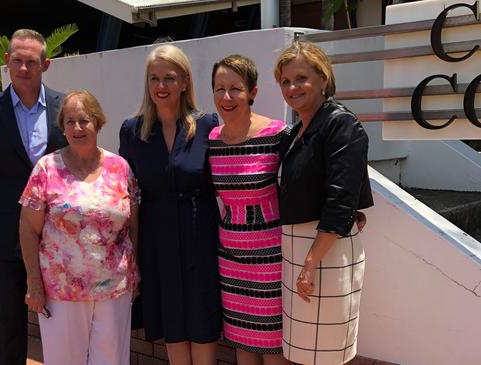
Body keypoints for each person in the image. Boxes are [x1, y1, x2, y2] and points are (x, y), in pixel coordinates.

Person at [0, 29, 67, 365]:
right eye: (17, 61)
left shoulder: (65, 109)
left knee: (64, 323)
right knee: (10, 324)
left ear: (45, 65)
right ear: (7, 61)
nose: (24, 68)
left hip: (60, 238)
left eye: (32, 62)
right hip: (5, 241)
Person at [18, 90, 140, 365]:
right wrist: (34, 283)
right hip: (62, 291)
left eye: (83, 120)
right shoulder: (46, 169)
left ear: (97, 122)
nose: (77, 128)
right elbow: (27, 229)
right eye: (69, 122)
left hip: (115, 289)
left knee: (112, 361)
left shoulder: (119, 168)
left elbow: (133, 223)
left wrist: (135, 270)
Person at [119, 44, 222, 365]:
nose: (161, 86)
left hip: (200, 237)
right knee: (172, 321)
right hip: (157, 241)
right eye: (154, 78)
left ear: (185, 82)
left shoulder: (207, 125)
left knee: (202, 321)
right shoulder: (132, 131)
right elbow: (126, 193)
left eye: (169, 78)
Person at [274, 41, 374, 365]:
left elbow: (339, 200)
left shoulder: (340, 123)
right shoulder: (294, 133)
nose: (293, 87)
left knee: (327, 355)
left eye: (301, 78)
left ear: (322, 78)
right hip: (298, 251)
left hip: (323, 252)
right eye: (286, 81)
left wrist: (311, 262)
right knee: (302, 354)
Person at [208, 54, 291, 365]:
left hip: (270, 258)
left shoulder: (277, 134)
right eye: (219, 89)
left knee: (272, 349)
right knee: (242, 344)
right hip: (229, 257)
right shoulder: (213, 139)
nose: (226, 97)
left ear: (253, 92)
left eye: (236, 89)